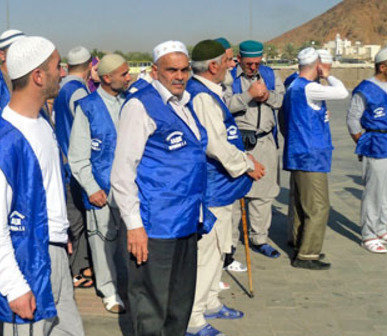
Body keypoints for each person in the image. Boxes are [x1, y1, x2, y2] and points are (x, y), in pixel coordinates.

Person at [0, 36, 85, 336]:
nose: (63, 73)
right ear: (37, 75)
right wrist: (14, 286)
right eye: (57, 67)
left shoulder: (42, 125)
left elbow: (48, 187)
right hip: (28, 266)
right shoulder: (4, 143)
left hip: (54, 252)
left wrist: (61, 233)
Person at [111, 40, 214, 336]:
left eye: (184, 70)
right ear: (155, 71)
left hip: (186, 221)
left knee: (179, 304)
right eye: (172, 70)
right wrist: (134, 226)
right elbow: (122, 173)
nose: (179, 76)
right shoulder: (140, 106)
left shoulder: (186, 103)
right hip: (155, 226)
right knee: (151, 307)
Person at [185, 40, 266, 336]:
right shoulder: (202, 97)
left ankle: (210, 302)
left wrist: (245, 156)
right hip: (211, 187)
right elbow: (214, 144)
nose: (233, 65)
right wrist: (246, 164)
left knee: (220, 250)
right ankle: (193, 319)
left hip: (222, 185)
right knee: (207, 254)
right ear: (214, 66)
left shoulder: (211, 93)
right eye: (229, 60)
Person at [68, 54, 131, 314]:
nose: (130, 78)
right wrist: (92, 188)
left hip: (130, 188)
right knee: (102, 243)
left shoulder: (132, 102)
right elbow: (77, 156)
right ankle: (110, 292)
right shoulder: (88, 106)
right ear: (107, 78)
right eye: (124, 74)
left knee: (130, 241)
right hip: (101, 190)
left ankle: (130, 287)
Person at [282, 48, 348, 270]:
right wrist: (327, 74)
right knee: (318, 207)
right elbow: (342, 92)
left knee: (301, 205)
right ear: (317, 64)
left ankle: (299, 243)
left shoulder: (292, 86)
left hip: (298, 154)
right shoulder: (310, 87)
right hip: (311, 157)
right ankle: (308, 254)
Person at [224, 40, 285, 265]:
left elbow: (282, 100)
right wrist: (248, 95)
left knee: (264, 194)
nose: (253, 67)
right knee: (234, 197)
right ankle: (229, 243)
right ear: (240, 59)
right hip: (239, 143)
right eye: (249, 63)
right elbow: (224, 106)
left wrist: (267, 96)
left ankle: (259, 238)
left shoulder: (269, 75)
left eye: (257, 63)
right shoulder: (230, 77)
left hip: (265, 141)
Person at [347, 48, 387, 254]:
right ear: (382, 67)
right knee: (373, 191)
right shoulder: (364, 90)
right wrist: (362, 141)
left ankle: (381, 229)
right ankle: (368, 234)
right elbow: (353, 120)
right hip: (375, 144)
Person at [53, 45, 94, 288]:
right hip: (75, 164)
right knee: (77, 222)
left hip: (65, 161)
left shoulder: (62, 89)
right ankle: (76, 271)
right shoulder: (78, 92)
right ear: (90, 66)